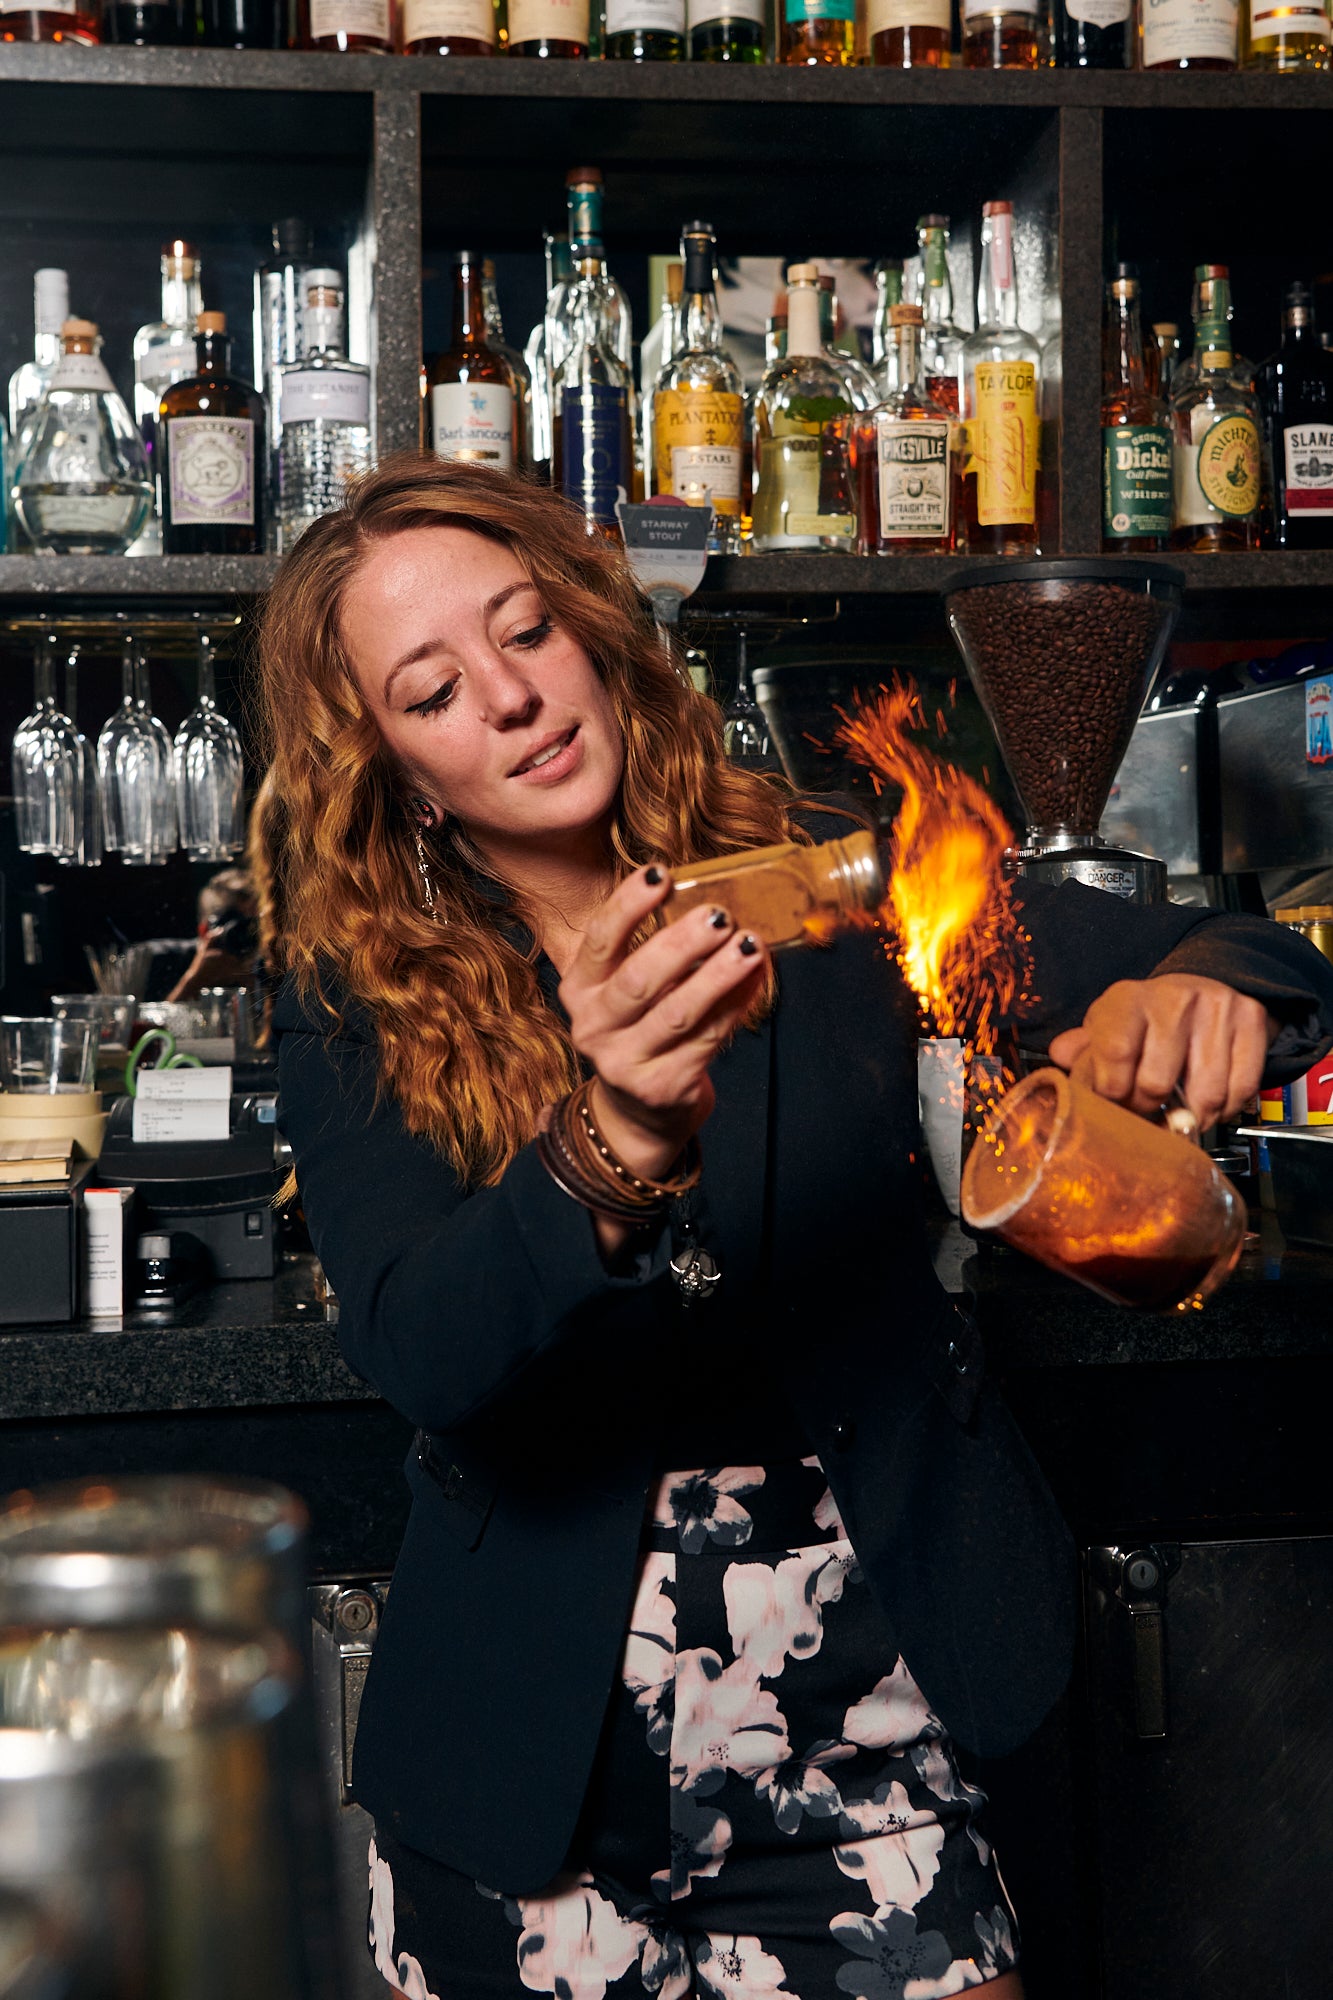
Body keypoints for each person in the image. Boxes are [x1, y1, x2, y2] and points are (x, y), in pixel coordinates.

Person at [256, 456, 1333, 2000]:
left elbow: (1235, 949)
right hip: (539, 1753)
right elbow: (426, 1350)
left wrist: (1210, 991)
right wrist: (611, 1141)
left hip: (866, 1699)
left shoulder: (833, 876)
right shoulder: (357, 996)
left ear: (591, 635)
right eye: (432, 690)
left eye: (526, 630)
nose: (509, 696)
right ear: (401, 770)